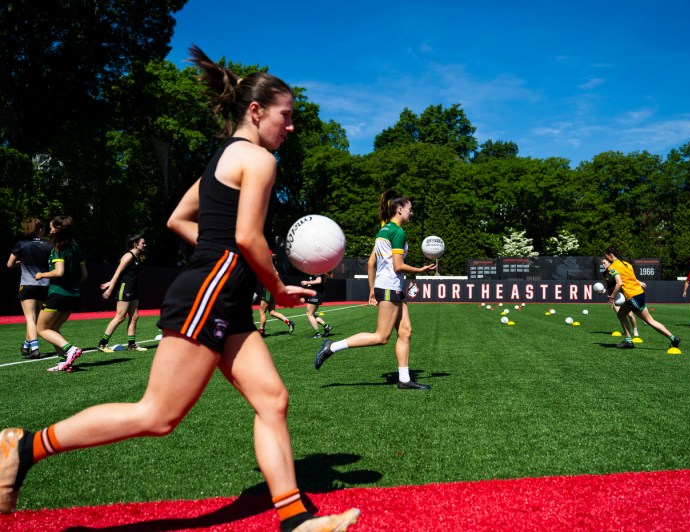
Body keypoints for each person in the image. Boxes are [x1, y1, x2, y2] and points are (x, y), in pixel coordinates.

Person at [0, 45, 359, 531]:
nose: (291, 127)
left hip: (219, 290)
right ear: (255, 111)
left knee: (272, 400)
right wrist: (273, 286)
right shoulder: (258, 159)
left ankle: (294, 519)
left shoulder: (221, 159)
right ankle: (25, 447)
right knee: (158, 415)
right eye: (286, 116)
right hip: (209, 290)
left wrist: (226, 259)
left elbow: (178, 218)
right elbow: (248, 237)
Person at [314, 190, 436, 390]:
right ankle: (331, 347)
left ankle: (404, 379)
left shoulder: (383, 231)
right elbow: (398, 266)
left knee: (405, 331)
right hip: (390, 288)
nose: (411, 213)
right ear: (399, 209)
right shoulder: (398, 232)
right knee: (381, 337)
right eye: (409, 209)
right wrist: (420, 270)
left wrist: (372, 289)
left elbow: (371, 263)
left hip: (388, 287)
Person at [34, 215, 88, 372]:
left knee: (42, 329)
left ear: (58, 229)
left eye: (51, 227)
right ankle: (63, 362)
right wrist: (71, 286)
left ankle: (71, 349)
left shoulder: (58, 247)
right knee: (54, 328)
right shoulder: (76, 247)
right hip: (73, 295)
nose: (49, 230)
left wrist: (41, 275)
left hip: (58, 294)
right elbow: (84, 276)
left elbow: (59, 272)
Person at [603, 247, 681, 350]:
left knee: (649, 320)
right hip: (637, 293)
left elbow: (619, 283)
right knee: (621, 314)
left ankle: (673, 338)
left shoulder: (613, 267)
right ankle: (628, 341)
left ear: (610, 255)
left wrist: (612, 297)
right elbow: (632, 279)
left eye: (606, 256)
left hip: (633, 296)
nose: (606, 258)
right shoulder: (626, 264)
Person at [6, 217, 52, 359]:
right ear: (40, 229)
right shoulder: (49, 245)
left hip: (27, 285)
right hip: (45, 285)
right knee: (35, 319)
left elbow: (9, 264)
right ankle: (26, 346)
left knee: (30, 318)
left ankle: (34, 348)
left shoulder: (22, 244)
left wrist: (19, 264)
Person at [97, 235, 148, 352]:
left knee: (135, 316)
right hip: (125, 289)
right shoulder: (128, 256)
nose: (145, 245)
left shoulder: (138, 256)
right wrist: (110, 289)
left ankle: (132, 345)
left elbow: (125, 273)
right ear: (135, 244)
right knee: (120, 317)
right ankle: (102, 344)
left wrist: (109, 283)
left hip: (133, 289)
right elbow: (118, 272)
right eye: (143, 243)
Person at [600, 256, 639, 339]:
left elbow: (626, 278)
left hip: (622, 295)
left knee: (631, 315)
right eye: (602, 263)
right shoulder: (604, 273)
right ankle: (627, 334)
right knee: (620, 315)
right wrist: (603, 290)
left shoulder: (615, 269)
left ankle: (635, 329)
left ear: (609, 262)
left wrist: (638, 281)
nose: (603, 265)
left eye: (604, 263)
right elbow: (607, 285)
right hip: (613, 297)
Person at [301, 273, 332, 338]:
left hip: (315, 295)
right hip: (318, 294)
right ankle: (326, 326)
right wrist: (309, 284)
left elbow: (319, 281)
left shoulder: (316, 270)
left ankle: (318, 334)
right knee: (311, 314)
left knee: (309, 314)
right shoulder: (316, 270)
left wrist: (307, 282)